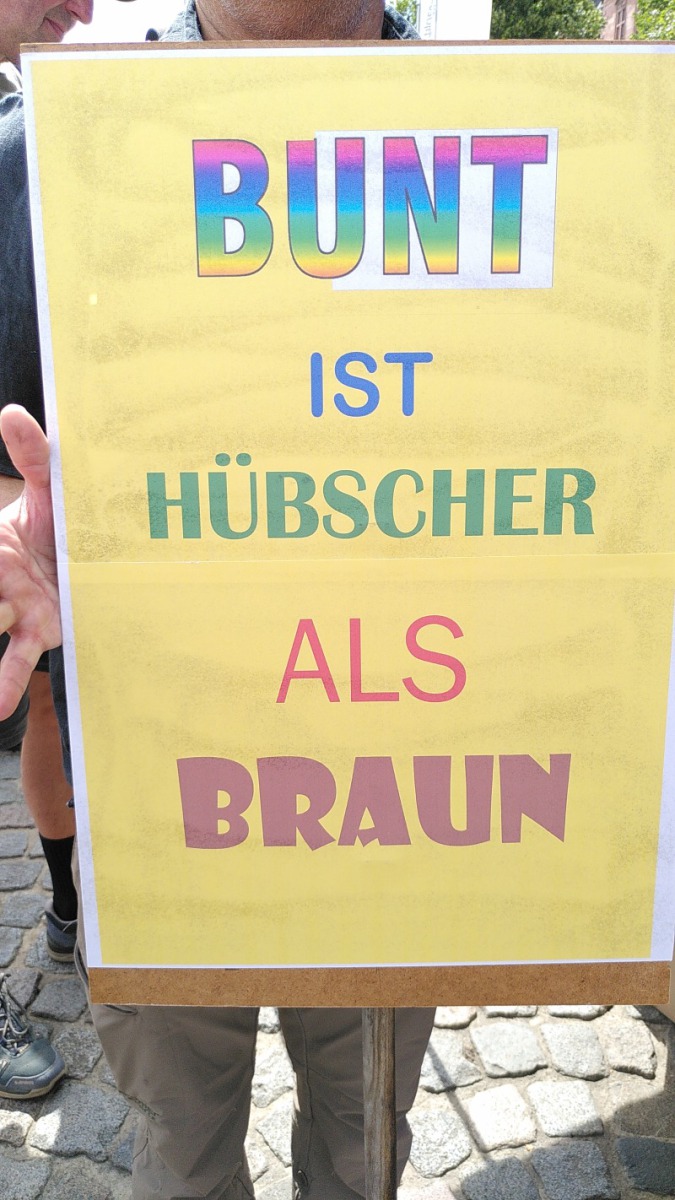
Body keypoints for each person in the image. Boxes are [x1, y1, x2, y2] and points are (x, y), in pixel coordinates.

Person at [0, 2, 434, 1196]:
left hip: (416, 812)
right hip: (161, 814)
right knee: (183, 1157)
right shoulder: (52, 152)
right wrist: (16, 533)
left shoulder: (540, 140)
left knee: (364, 1151)